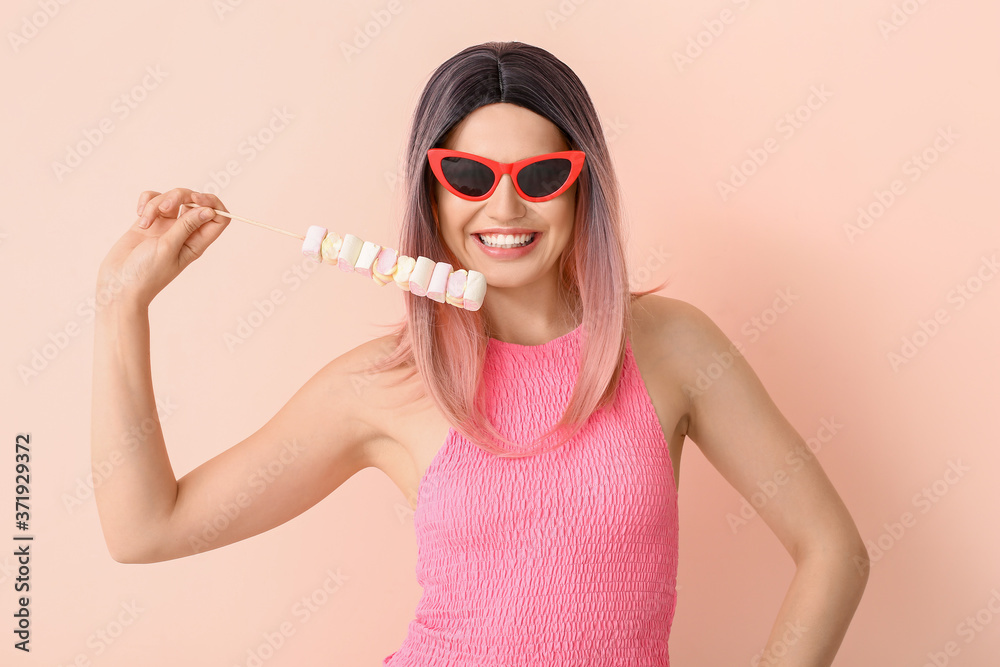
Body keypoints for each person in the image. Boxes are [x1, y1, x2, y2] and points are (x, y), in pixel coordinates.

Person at [92, 41, 868, 665]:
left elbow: (834, 549)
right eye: (466, 175)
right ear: (430, 193)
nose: (504, 206)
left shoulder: (672, 346)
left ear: (581, 186)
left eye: (540, 174)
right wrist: (120, 304)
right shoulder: (382, 384)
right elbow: (147, 527)